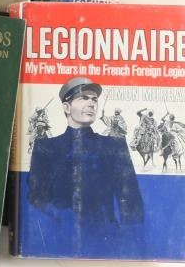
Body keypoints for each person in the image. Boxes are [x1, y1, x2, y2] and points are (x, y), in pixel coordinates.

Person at [27, 77, 144, 256]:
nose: (91, 104)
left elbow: (130, 197)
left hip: (105, 240)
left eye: (94, 100)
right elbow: (35, 196)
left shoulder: (114, 146)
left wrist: (128, 242)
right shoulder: (45, 147)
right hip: (58, 240)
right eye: (83, 98)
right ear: (67, 107)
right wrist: (60, 215)